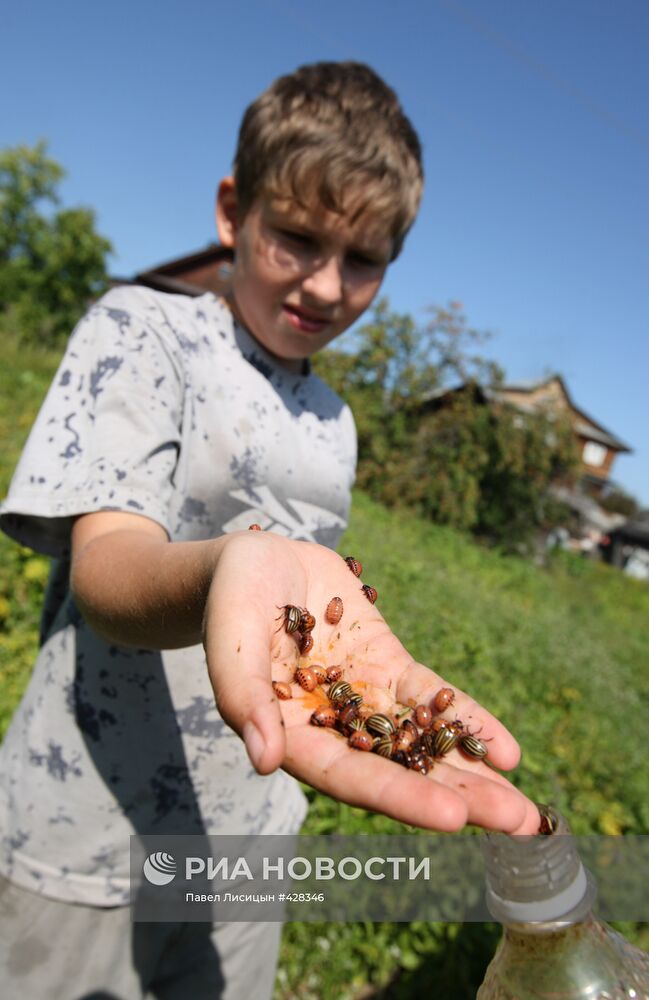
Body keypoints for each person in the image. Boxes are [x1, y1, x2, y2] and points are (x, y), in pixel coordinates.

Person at [0, 61, 539, 998]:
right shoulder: (145, 332)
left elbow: (320, 629)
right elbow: (108, 567)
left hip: (244, 837)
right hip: (85, 832)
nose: (325, 287)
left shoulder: (335, 419)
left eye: (363, 261)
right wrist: (228, 570)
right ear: (231, 211)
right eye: (295, 238)